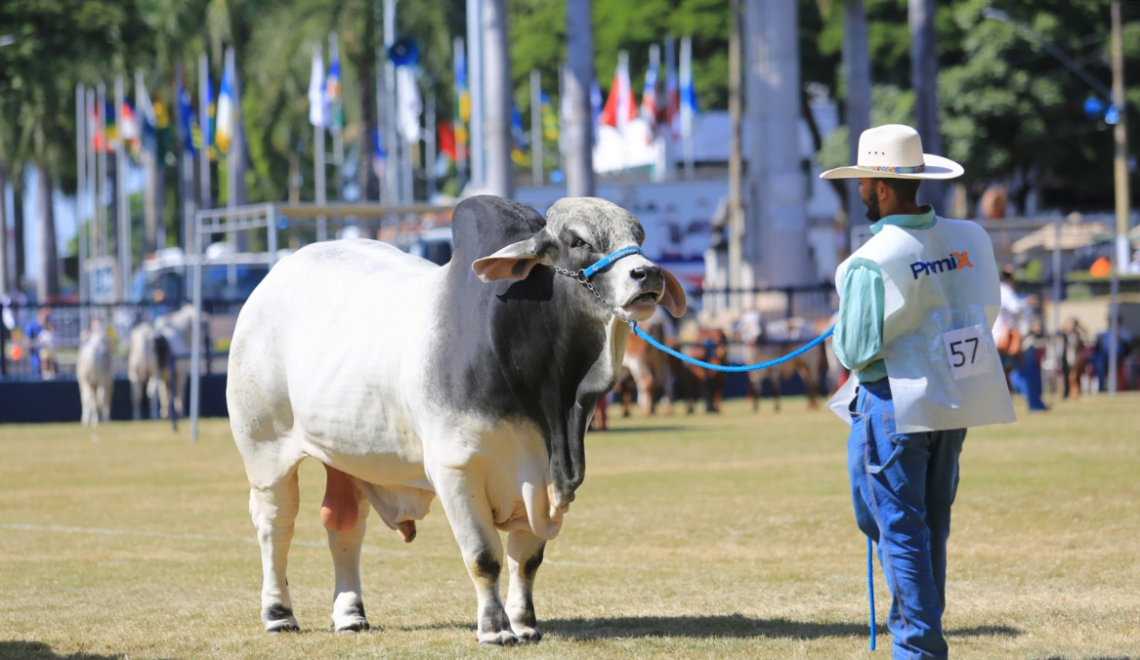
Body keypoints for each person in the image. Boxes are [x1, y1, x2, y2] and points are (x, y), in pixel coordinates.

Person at [821, 124, 1015, 660]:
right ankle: (916, 627)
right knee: (929, 523)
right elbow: (987, 311)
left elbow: (855, 352)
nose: (860, 191)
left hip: (890, 400)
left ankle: (917, 644)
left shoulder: (869, 259)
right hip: (954, 396)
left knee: (895, 524)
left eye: (863, 182)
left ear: (881, 187)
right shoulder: (971, 237)